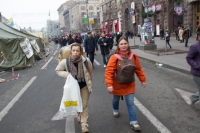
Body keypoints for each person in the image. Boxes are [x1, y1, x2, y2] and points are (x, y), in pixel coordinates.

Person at [104, 37, 146, 131]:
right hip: (117, 84)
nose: (124, 45)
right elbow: (109, 71)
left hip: (129, 84)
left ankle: (134, 122)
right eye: (121, 44)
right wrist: (109, 84)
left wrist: (142, 80)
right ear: (118, 46)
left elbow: (138, 69)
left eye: (125, 43)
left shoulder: (134, 56)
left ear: (128, 44)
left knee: (130, 102)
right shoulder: (114, 57)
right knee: (115, 99)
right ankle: (115, 109)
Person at [55, 43, 93, 133]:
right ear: (71, 51)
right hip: (72, 88)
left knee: (84, 105)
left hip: (84, 86)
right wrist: (66, 74)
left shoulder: (86, 61)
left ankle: (84, 126)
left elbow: (90, 72)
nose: (75, 52)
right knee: (77, 103)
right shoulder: (66, 61)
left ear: (80, 52)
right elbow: (58, 70)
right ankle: (78, 115)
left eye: (77, 51)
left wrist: (89, 82)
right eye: (73, 50)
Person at [186, 32, 200, 109]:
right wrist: (197, 66)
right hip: (198, 73)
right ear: (199, 36)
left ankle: (193, 98)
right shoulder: (195, 46)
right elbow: (188, 58)